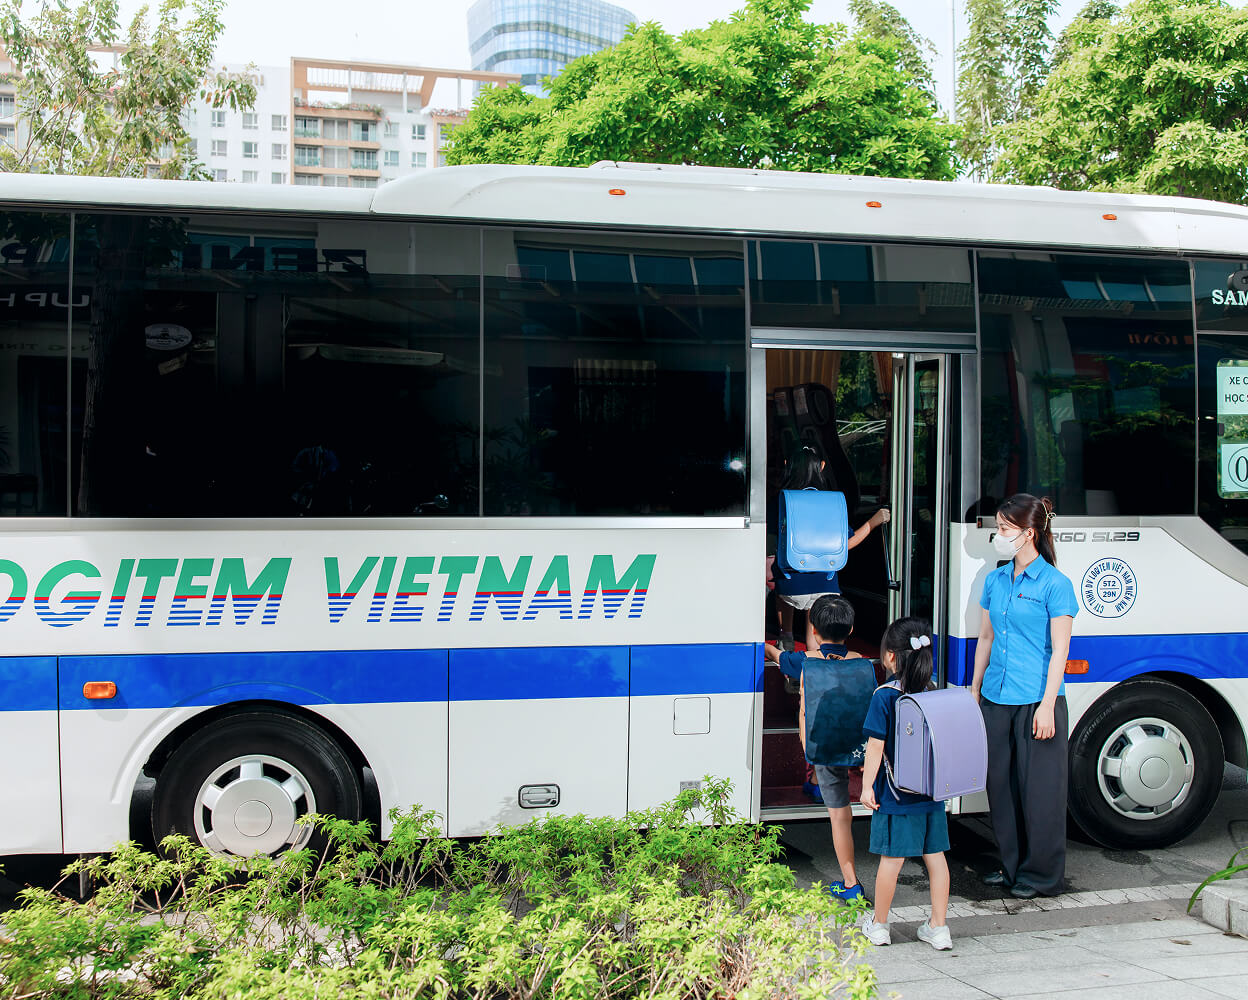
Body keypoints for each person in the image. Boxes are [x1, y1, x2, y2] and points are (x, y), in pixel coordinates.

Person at [972, 493, 1078, 900]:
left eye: (1004, 528)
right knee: (1001, 788)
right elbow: (985, 638)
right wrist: (975, 688)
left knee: (1040, 793)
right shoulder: (995, 580)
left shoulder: (1055, 584)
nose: (997, 535)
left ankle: (1041, 875)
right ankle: (1011, 865)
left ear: (1028, 533)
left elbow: (1060, 651)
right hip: (997, 696)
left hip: (1037, 699)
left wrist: (1048, 705)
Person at [764, 595, 873, 903]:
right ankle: (812, 783)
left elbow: (775, 655)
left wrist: (764, 645)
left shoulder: (804, 660)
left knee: (839, 815)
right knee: (843, 811)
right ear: (850, 630)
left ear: (812, 629)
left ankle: (851, 882)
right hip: (855, 744)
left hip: (823, 746)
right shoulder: (862, 661)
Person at [858, 617, 952, 951]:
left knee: (892, 860)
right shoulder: (934, 691)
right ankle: (939, 927)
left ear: (890, 657)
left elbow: (875, 746)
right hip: (931, 792)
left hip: (895, 795)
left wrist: (866, 787)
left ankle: (880, 925)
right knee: (936, 857)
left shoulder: (885, 696)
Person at [773, 444, 889, 652]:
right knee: (815, 638)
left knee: (780, 582)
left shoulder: (782, 500)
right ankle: (812, 665)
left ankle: (786, 635)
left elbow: (772, 539)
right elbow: (847, 543)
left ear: (786, 464)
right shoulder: (831, 501)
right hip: (824, 583)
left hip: (790, 583)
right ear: (822, 466)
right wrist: (874, 521)